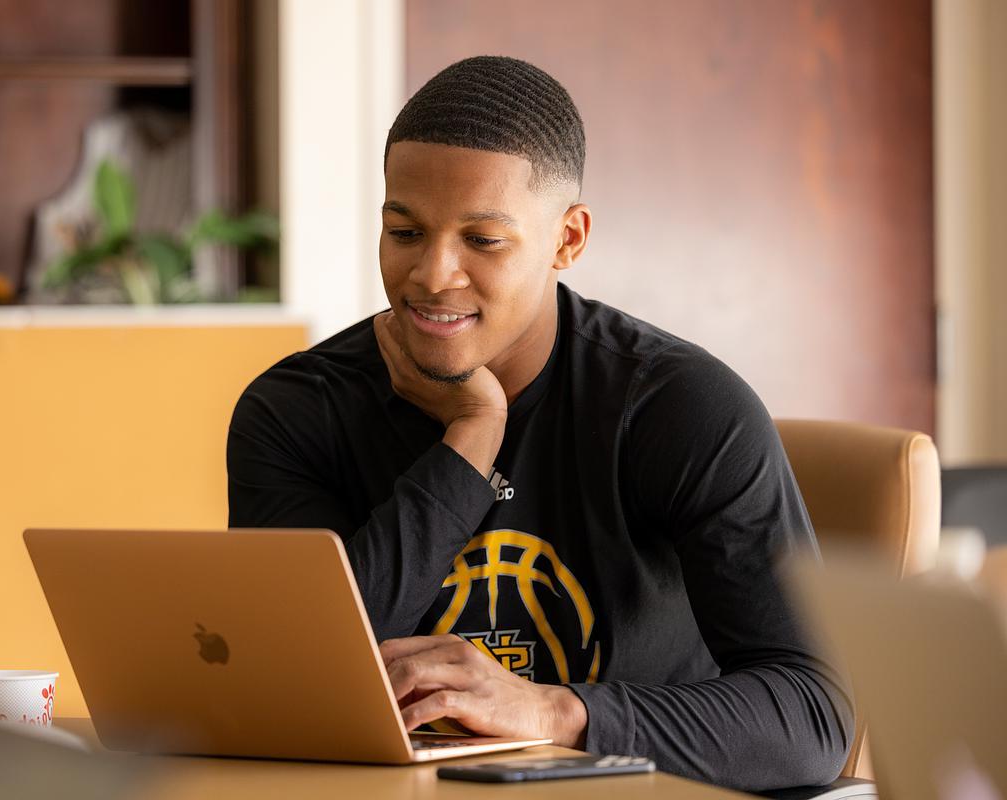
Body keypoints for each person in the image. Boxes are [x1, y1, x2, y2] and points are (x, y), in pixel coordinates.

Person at [227, 55, 854, 791]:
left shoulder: (680, 408)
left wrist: (554, 712)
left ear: (568, 240)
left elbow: (811, 720)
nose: (432, 274)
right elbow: (299, 683)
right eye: (404, 231)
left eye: (483, 241)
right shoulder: (297, 409)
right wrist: (472, 439)